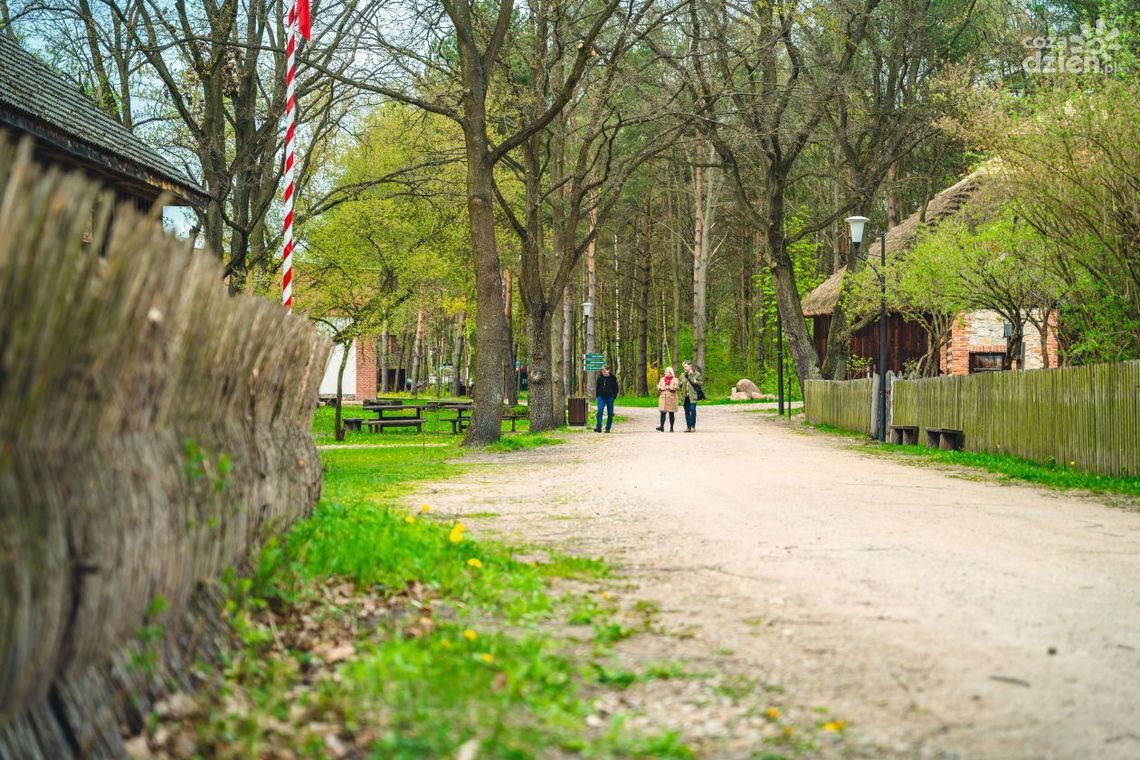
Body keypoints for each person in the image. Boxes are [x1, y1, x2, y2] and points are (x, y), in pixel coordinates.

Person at [679, 360, 703, 432]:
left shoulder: (696, 374)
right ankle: (688, 426)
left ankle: (693, 426)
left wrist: (696, 381)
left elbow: (701, 383)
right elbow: (679, 385)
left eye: (685, 366)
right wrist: (680, 383)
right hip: (685, 396)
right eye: (684, 367)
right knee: (686, 411)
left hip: (693, 396)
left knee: (693, 410)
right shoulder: (682, 375)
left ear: (690, 366)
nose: (684, 368)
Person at [594, 365, 619, 433]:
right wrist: (597, 395)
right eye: (602, 371)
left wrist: (614, 397)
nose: (603, 373)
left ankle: (608, 428)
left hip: (610, 397)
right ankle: (598, 427)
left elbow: (616, 388)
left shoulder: (613, 378)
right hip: (601, 397)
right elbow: (597, 387)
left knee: (610, 413)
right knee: (599, 411)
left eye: (604, 371)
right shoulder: (600, 377)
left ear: (608, 370)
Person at [656, 367, 679, 432]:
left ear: (670, 372)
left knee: (671, 413)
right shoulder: (662, 379)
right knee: (662, 413)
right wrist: (660, 388)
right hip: (663, 398)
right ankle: (661, 427)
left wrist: (670, 387)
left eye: (666, 372)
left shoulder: (675, 379)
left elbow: (677, 387)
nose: (665, 373)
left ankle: (671, 428)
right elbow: (658, 386)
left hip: (671, 398)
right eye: (665, 372)